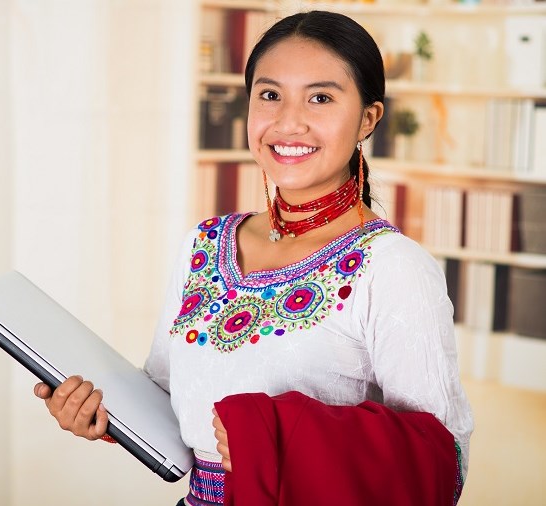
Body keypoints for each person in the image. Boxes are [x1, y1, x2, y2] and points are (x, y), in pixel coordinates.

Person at [34, 10, 473, 505]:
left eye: (321, 97)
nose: (288, 122)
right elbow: (169, 401)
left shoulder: (393, 267)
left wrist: (273, 433)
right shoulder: (204, 244)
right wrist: (103, 415)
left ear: (368, 119)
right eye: (269, 95)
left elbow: (441, 459)